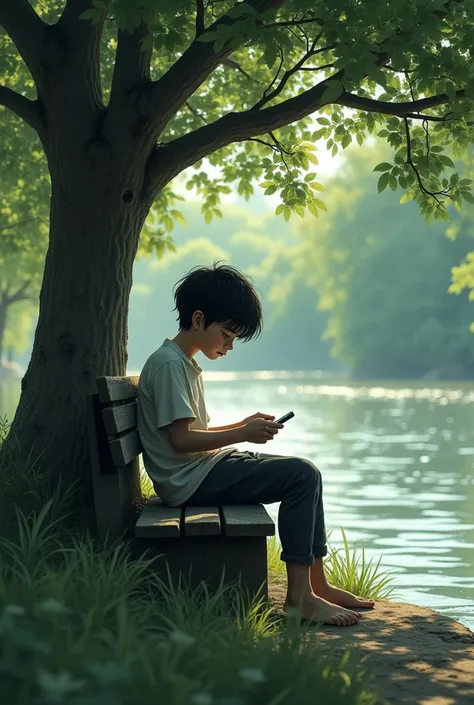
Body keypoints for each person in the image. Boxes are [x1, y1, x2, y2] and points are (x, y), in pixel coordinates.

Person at [137, 261, 375, 626]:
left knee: (308, 474)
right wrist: (242, 434)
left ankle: (317, 584)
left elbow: (192, 433)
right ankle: (299, 599)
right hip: (187, 482)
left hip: (200, 470)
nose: (230, 346)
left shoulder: (182, 362)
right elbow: (182, 440)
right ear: (198, 319)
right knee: (301, 476)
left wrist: (243, 425)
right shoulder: (170, 365)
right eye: (228, 335)